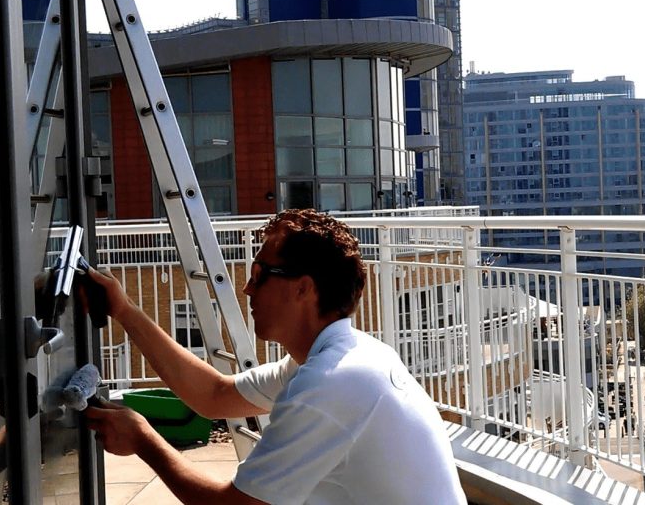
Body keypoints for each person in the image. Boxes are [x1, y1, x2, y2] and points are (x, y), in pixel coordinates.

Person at [83, 209, 466, 504]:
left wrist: (144, 440)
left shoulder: (333, 383)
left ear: (303, 289)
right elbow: (214, 396)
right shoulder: (340, 359)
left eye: (260, 273)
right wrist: (126, 311)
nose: (247, 288)